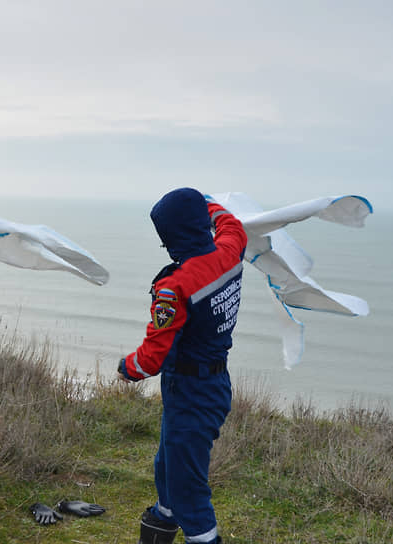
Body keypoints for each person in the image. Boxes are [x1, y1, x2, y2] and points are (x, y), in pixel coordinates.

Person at [118, 188, 247, 544]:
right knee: (168, 465)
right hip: (214, 384)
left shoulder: (176, 287)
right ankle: (163, 518)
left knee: (188, 488)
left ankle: (199, 533)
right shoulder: (230, 250)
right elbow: (231, 223)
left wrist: (126, 367)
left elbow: (151, 359)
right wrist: (207, 201)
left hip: (189, 392)